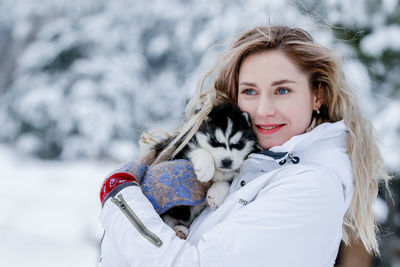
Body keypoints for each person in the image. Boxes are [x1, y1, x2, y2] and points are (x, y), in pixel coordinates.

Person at [98, 25, 390, 267]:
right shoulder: (257, 169)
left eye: (283, 90)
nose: (263, 109)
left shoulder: (311, 186)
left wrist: (121, 199)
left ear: (318, 96)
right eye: (249, 91)